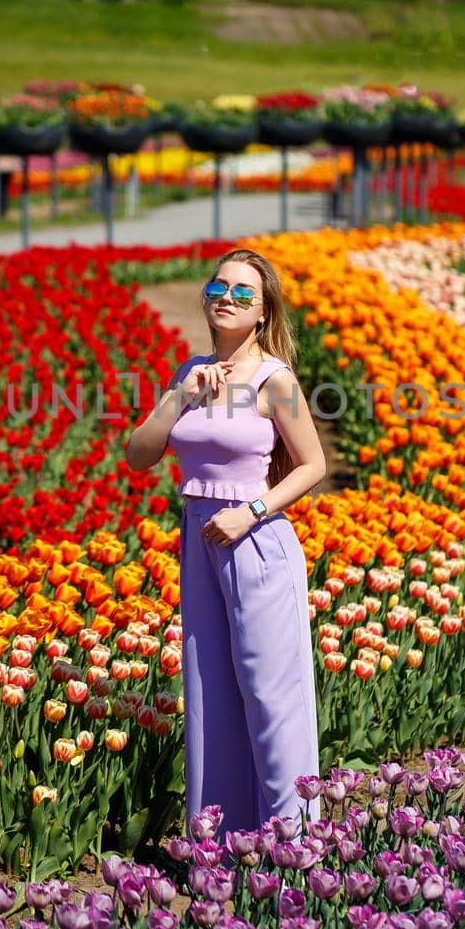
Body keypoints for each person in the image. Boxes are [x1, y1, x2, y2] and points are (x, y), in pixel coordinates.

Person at [125, 248, 326, 843]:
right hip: (198, 544)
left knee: (269, 691)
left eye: (245, 293)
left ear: (263, 314)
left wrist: (252, 512)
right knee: (208, 687)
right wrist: (179, 397)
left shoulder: (275, 380)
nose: (229, 299)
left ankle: (294, 846)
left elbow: (312, 464)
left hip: (256, 543)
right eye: (221, 287)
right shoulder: (190, 372)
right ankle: (223, 842)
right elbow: (139, 455)